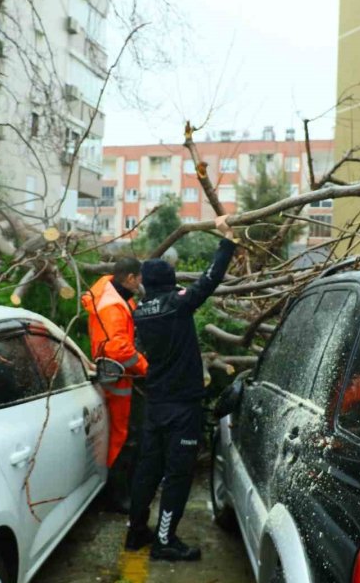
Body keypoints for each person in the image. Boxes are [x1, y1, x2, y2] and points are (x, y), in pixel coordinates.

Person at [125, 215, 237, 561]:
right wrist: (227, 242)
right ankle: (164, 541)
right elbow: (209, 279)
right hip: (181, 408)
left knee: (147, 469)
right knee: (177, 474)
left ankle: (136, 532)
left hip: (156, 403)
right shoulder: (178, 304)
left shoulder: (140, 311)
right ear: (171, 281)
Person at [82, 257, 148, 513]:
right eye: (139, 278)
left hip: (111, 374)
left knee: (117, 435)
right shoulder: (113, 305)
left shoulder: (112, 296)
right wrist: (146, 368)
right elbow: (120, 349)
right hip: (118, 378)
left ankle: (115, 490)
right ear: (130, 278)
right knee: (122, 437)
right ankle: (118, 496)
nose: (141, 282)